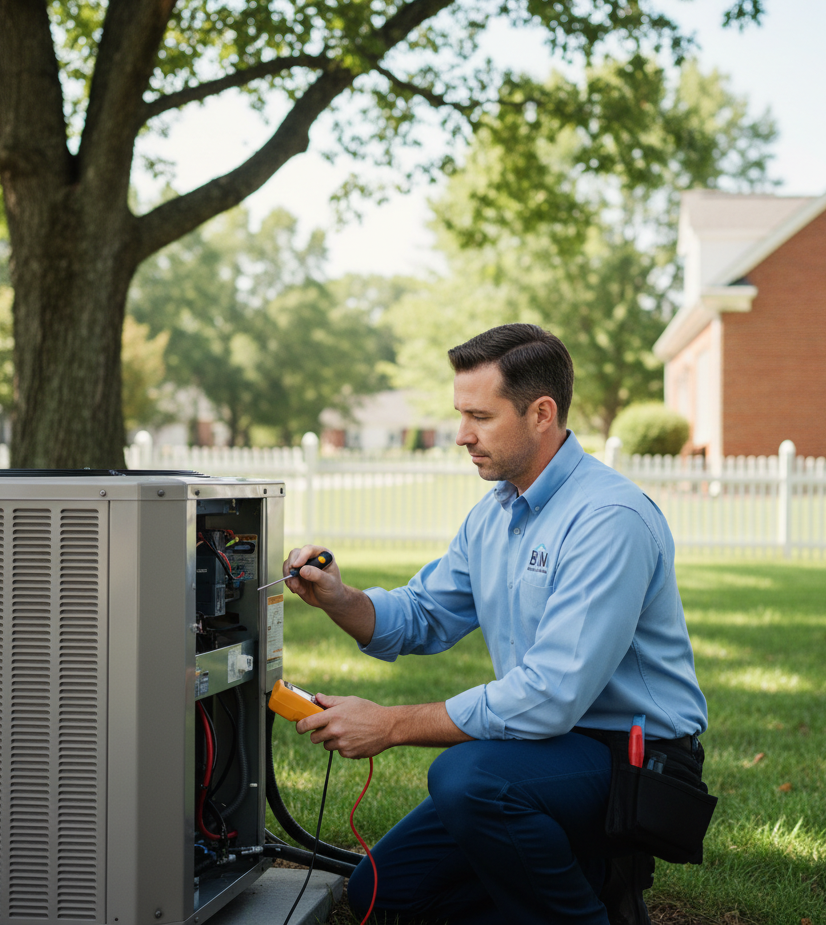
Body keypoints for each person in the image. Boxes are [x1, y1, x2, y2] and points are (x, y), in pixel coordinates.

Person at [283, 324, 708, 925]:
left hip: (635, 761)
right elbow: (422, 616)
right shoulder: (497, 513)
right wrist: (337, 596)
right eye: (461, 415)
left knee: (468, 776)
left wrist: (392, 724)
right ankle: (589, 879)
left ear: (541, 413)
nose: (462, 436)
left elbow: (551, 694)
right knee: (382, 891)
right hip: (547, 750)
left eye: (480, 416)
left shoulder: (609, 518)